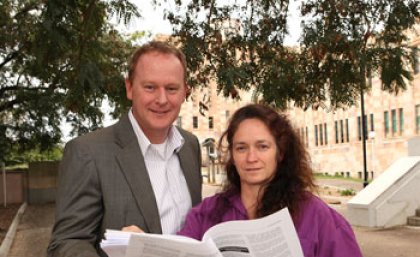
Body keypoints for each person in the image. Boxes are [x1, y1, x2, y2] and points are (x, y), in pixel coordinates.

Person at [47, 41, 203, 257]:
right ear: (129, 88)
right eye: (150, 87)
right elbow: (68, 242)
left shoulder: (190, 146)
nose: (162, 99)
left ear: (185, 91)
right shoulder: (87, 152)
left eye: (172, 88)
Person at [177, 104, 363, 256]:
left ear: (280, 152)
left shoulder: (317, 217)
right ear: (232, 155)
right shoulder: (206, 214)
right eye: (241, 148)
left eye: (262, 146)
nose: (251, 158)